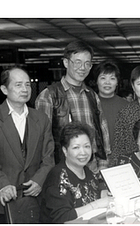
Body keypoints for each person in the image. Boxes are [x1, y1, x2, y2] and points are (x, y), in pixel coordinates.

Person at [35, 41, 110, 173]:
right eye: (77, 62)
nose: (82, 67)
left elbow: (102, 130)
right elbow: (42, 140)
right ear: (66, 62)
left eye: (87, 63)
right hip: (62, 169)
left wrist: (103, 163)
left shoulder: (92, 95)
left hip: (92, 168)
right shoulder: (49, 95)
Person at [0, 66, 55, 223]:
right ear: (4, 89)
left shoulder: (41, 118)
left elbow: (49, 156)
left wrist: (39, 180)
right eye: (18, 85)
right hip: (4, 199)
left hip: (35, 197)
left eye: (28, 84)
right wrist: (3, 185)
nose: (24, 89)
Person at [39, 122, 108, 223]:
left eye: (87, 146)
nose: (83, 152)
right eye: (76, 147)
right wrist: (97, 204)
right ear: (65, 151)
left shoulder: (86, 170)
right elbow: (63, 217)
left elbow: (93, 194)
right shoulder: (58, 176)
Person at [93, 60, 128, 148]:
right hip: (95, 157)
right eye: (103, 78)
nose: (107, 82)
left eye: (112, 78)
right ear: (96, 81)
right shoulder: (90, 104)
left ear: (117, 82)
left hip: (122, 157)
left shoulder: (127, 106)